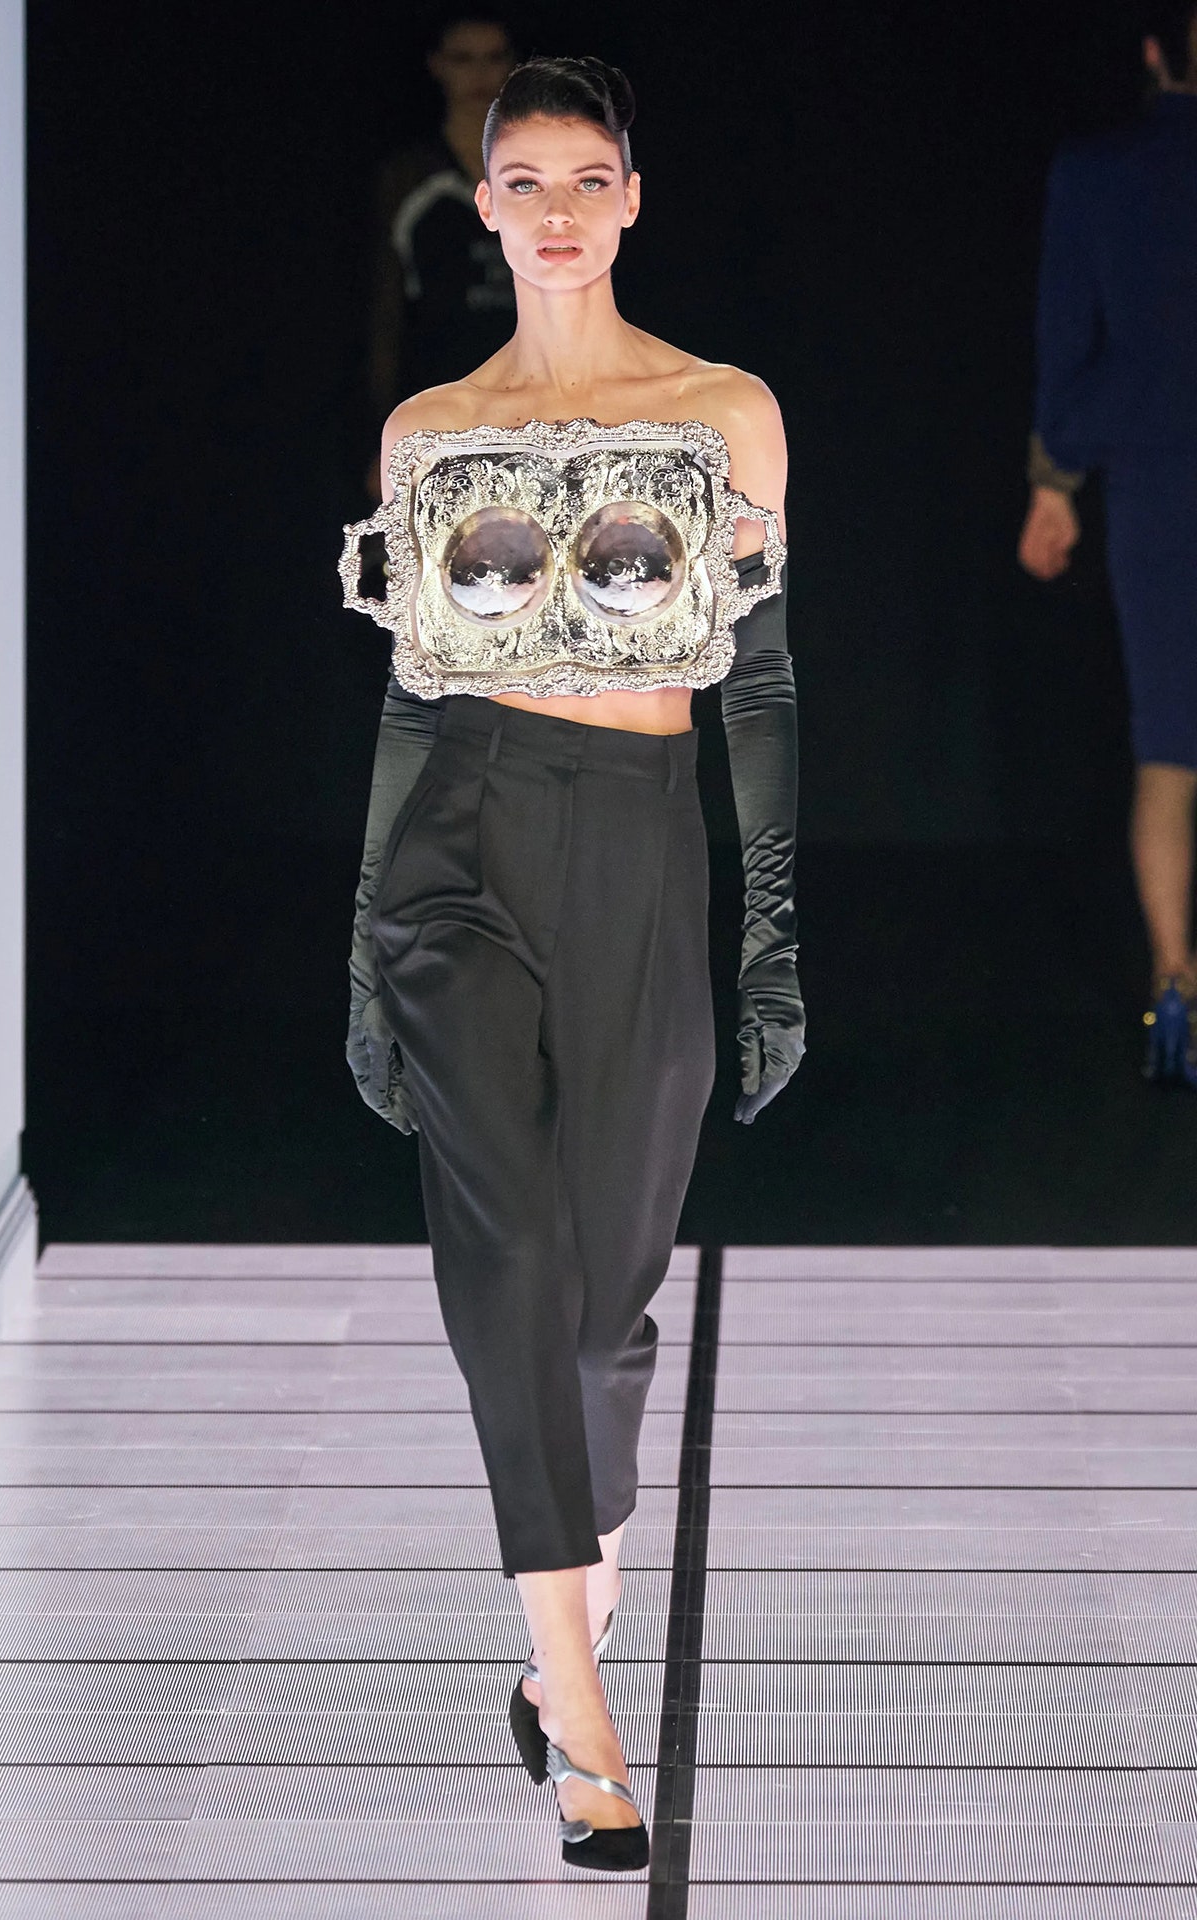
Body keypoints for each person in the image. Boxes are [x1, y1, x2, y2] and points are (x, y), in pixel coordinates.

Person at [341, 55, 803, 1871]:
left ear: (630, 199)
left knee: (608, 1302)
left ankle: (559, 1645)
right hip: (458, 843)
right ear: (483, 207)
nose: (551, 210)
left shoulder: (722, 411)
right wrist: (358, 948)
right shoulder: (429, 431)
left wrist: (766, 930)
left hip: (636, 837)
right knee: (513, 1256)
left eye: (584, 178)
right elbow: (409, 698)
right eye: (520, 180)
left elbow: (758, 682)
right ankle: (587, 1721)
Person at [1019, 2, 1197, 1082]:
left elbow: (1064, 336)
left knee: (1170, 748)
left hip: (1153, 478)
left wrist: (1054, 483)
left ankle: (1174, 985)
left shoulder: (1097, 173)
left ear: (1151, 55)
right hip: (1151, 473)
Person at [363, 9, 518, 496]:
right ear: (437, 65)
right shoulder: (410, 177)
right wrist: (379, 437)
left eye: (493, 58)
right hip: (439, 400)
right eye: (464, 59)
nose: (480, 74)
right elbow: (385, 308)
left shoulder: (542, 172)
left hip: (534, 400)